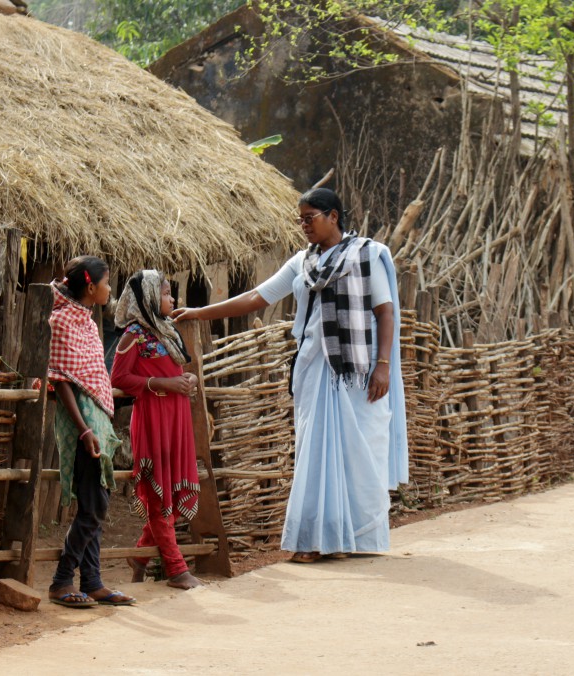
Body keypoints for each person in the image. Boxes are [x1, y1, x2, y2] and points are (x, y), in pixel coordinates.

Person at [172, 187, 408, 563]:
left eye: (310, 217)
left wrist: (383, 365)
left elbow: (385, 312)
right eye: (300, 219)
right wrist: (200, 312)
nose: (304, 225)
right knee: (314, 452)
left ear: (333, 216)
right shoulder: (303, 262)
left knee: (360, 452)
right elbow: (257, 297)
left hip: (356, 371)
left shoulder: (367, 255)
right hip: (314, 368)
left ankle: (357, 537)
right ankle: (315, 539)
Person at [47, 256, 136, 607]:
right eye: (107, 282)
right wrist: (84, 430)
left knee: (95, 500)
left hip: (95, 420)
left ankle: (94, 580)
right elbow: (61, 380)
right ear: (90, 286)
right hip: (81, 425)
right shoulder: (62, 321)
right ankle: (61, 581)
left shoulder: (84, 319)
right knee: (94, 506)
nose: (110, 289)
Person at [110, 270, 203, 589]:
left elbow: (178, 370)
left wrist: (187, 379)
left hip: (176, 417)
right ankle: (176, 569)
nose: (172, 299)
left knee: (176, 492)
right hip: (152, 418)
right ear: (149, 298)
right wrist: (160, 383)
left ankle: (140, 556)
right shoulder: (133, 335)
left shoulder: (168, 331)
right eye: (166, 294)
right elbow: (118, 379)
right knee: (157, 494)